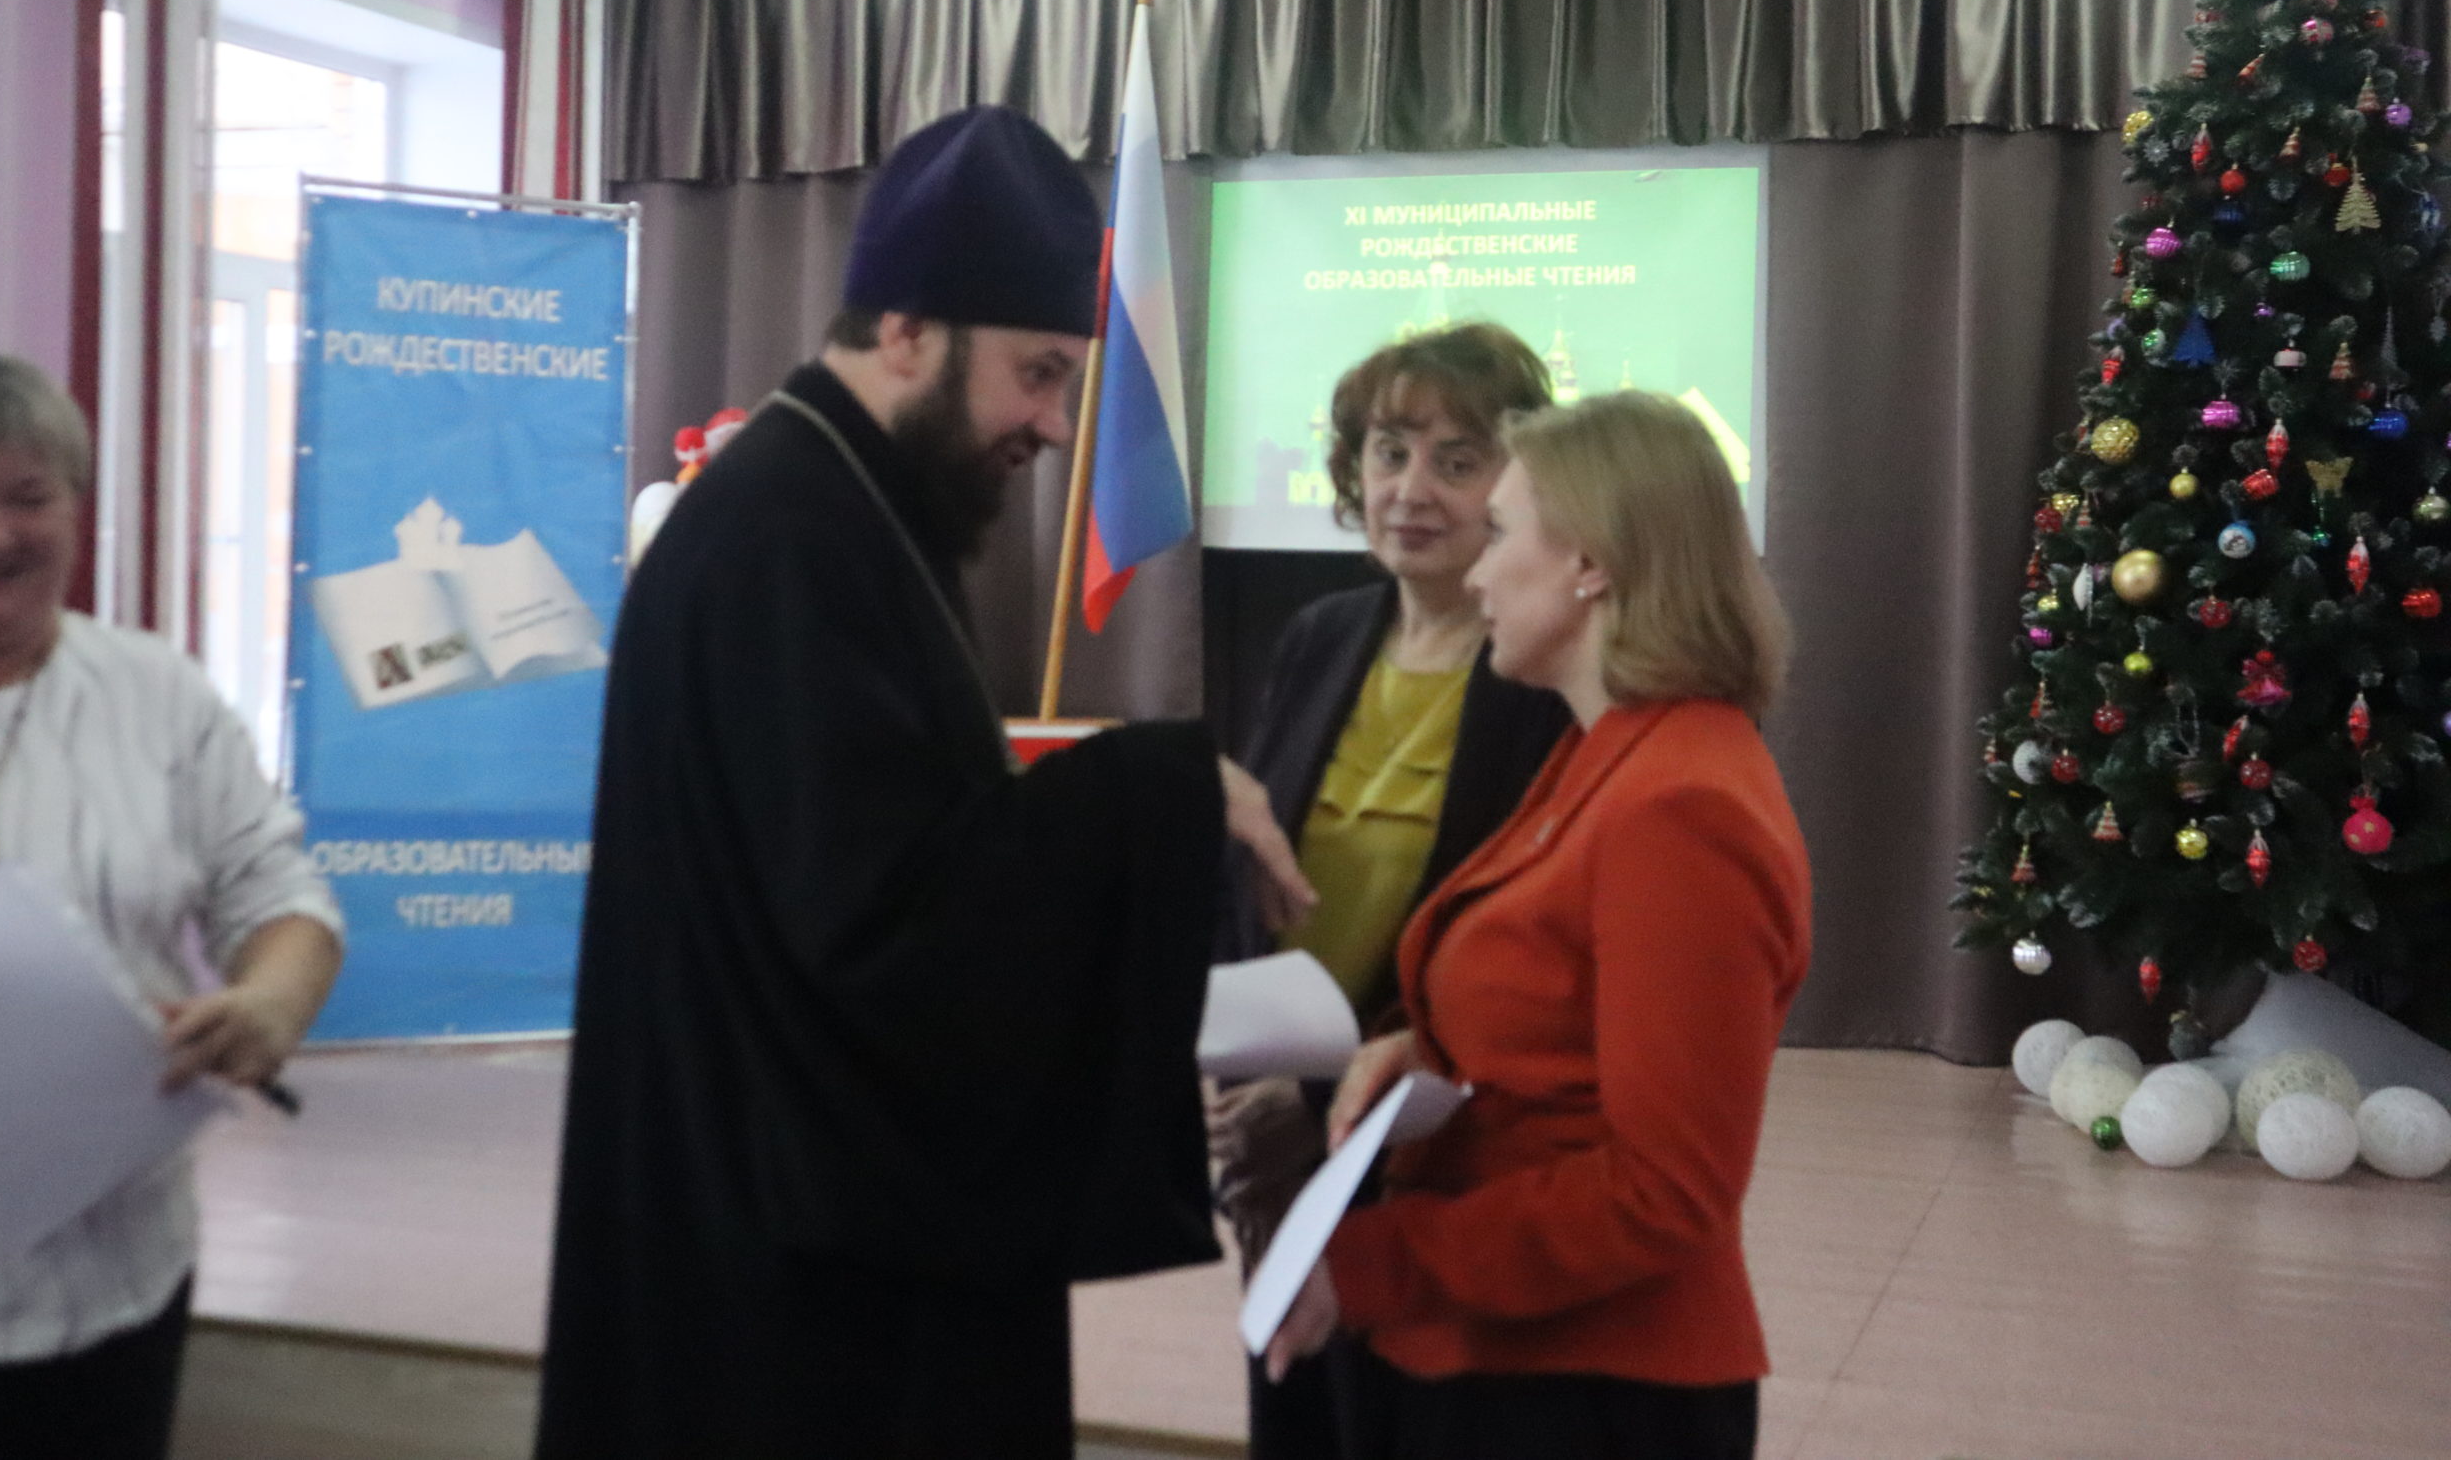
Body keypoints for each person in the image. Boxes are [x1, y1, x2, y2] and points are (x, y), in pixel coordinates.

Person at [535, 105, 1317, 1460]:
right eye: (1037, 374)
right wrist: (1166, 786)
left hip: (768, 1217)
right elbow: (883, 927)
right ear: (906, 330)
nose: (1055, 423)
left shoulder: (839, 506)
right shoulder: (790, 541)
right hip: (781, 1292)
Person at [1264, 390, 1809, 1460]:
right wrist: (1426, 1049)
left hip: (1587, 1387)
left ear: (1591, 563)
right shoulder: (1611, 749)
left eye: (1502, 531)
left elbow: (1667, 1189)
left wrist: (1373, 1263)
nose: (1476, 575)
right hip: (1509, 1354)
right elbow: (1561, 1018)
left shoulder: (1678, 805)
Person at [0, 355, 343, 1460]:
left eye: (31, 497)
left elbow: (280, 893)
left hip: (105, 1289)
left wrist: (269, 1004)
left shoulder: (155, 693)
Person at [1211, 322, 1574, 1459]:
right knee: (1292, 1406)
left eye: (1456, 462)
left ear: (1514, 488)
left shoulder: (1538, 673)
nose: (1410, 489)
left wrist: (1340, 1077)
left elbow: (1522, 939)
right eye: (1387, 452)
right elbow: (1254, 867)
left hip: (1430, 1127)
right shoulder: (1320, 637)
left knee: (1402, 1418)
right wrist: (1240, 1065)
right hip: (1276, 1125)